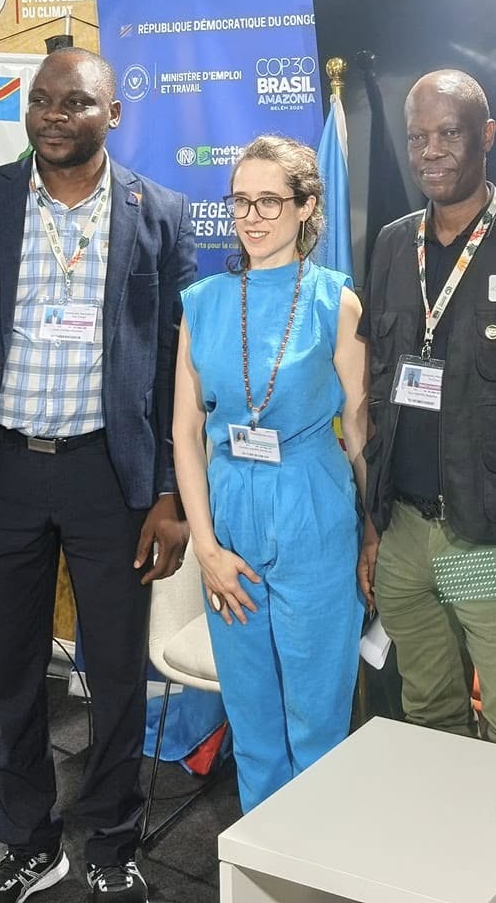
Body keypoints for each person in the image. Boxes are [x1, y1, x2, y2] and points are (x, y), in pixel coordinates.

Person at [0, 47, 197, 903]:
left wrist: (170, 494)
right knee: (4, 672)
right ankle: (32, 844)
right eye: (42, 101)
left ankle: (113, 844)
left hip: (111, 480)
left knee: (114, 675)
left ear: (114, 115)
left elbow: (175, 368)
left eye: (76, 103)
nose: (54, 115)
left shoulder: (162, 214)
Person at [358, 71, 496, 753]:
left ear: (487, 137)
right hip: (404, 533)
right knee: (428, 712)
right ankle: (448, 849)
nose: (431, 151)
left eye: (449, 133)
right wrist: (372, 526)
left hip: (479, 537)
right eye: (418, 136)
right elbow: (377, 392)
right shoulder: (392, 244)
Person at [172, 135, 368, 811]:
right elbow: (184, 432)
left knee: (316, 725)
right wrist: (205, 548)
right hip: (228, 522)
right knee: (254, 729)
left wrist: (373, 533)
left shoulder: (336, 305)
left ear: (307, 206)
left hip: (313, 513)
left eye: (269, 201)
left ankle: (316, 868)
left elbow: (364, 435)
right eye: (240, 201)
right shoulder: (201, 303)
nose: (251, 217)